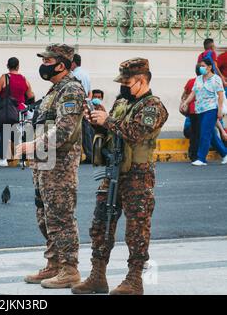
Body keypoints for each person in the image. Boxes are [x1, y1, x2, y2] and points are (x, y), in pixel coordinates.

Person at [72, 58, 169, 295]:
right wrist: (98, 121)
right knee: (101, 223)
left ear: (141, 80)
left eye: (127, 82)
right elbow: (113, 130)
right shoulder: (122, 102)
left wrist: (109, 120)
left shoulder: (153, 106)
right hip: (113, 171)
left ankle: (134, 280)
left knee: (137, 228)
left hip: (138, 175)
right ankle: (98, 276)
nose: (123, 86)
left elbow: (135, 133)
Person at [17, 44, 86, 289]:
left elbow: (65, 129)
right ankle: (54, 264)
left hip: (60, 165)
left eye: (48, 60)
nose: (44, 65)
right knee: (45, 217)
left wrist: (33, 145)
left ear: (61, 64)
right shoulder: (54, 90)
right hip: (44, 163)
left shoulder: (71, 89)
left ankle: (70, 269)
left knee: (61, 216)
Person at [181, 59, 227, 165]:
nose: (200, 68)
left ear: (210, 67)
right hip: (200, 109)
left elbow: (220, 96)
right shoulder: (198, 79)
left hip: (211, 109)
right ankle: (225, 154)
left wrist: (219, 111)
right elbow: (193, 92)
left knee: (205, 133)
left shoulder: (216, 79)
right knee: (210, 134)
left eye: (203, 66)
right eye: (200, 66)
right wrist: (186, 103)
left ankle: (201, 158)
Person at [0, 57, 35, 167]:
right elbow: (31, 95)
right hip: (20, 109)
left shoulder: (5, 77)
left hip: (7, 109)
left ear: (7, 66)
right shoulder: (24, 79)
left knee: (4, 131)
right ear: (18, 66)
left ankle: (3, 160)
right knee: (19, 134)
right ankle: (23, 160)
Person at [71, 54, 94, 163]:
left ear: (73, 63)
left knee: (76, 132)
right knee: (86, 132)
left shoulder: (74, 75)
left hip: (77, 105)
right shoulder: (85, 74)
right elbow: (90, 92)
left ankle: (81, 155)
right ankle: (89, 154)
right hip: (85, 104)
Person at [180, 65, 200, 162]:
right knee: (198, 133)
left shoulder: (191, 81)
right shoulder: (203, 81)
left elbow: (183, 94)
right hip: (200, 110)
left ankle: (193, 152)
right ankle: (195, 153)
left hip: (192, 111)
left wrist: (184, 103)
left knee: (194, 133)